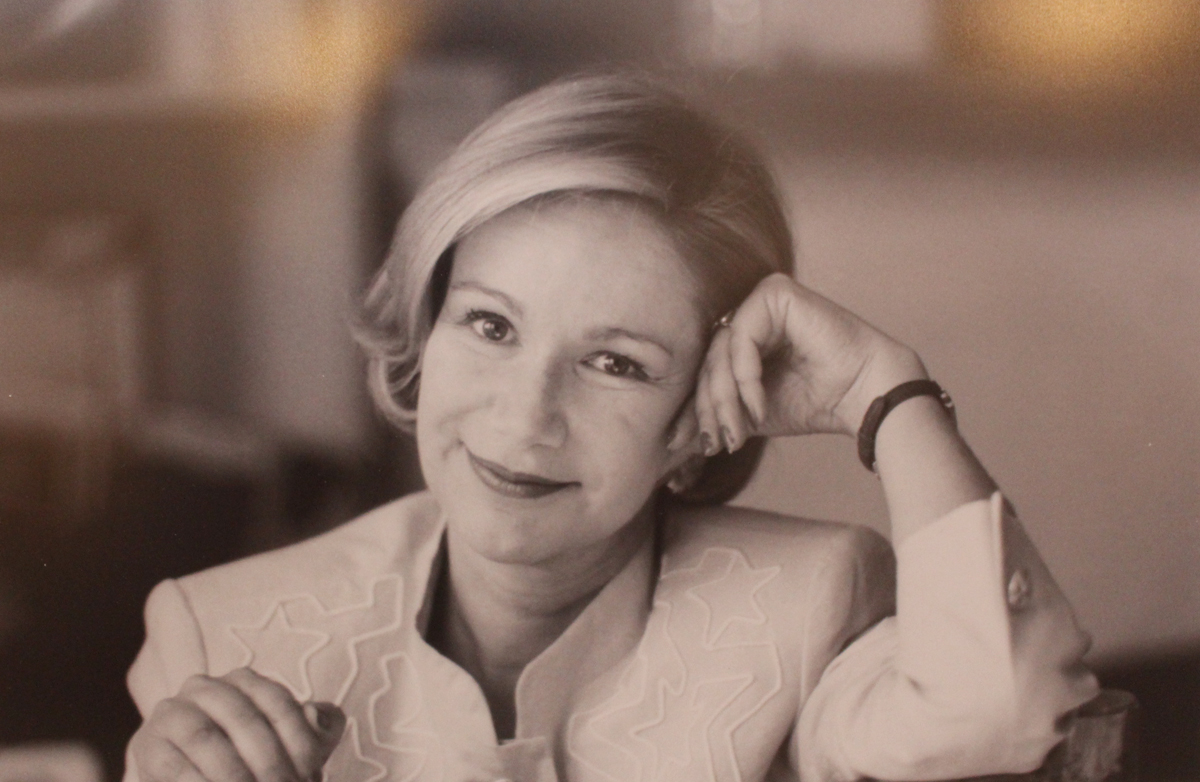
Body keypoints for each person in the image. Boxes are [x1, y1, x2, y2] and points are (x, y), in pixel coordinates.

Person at [122, 73, 1098, 782]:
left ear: (699, 423)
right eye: (491, 326)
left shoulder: (810, 604)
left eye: (616, 363)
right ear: (424, 329)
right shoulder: (222, 632)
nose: (526, 414)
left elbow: (1004, 713)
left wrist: (879, 390)